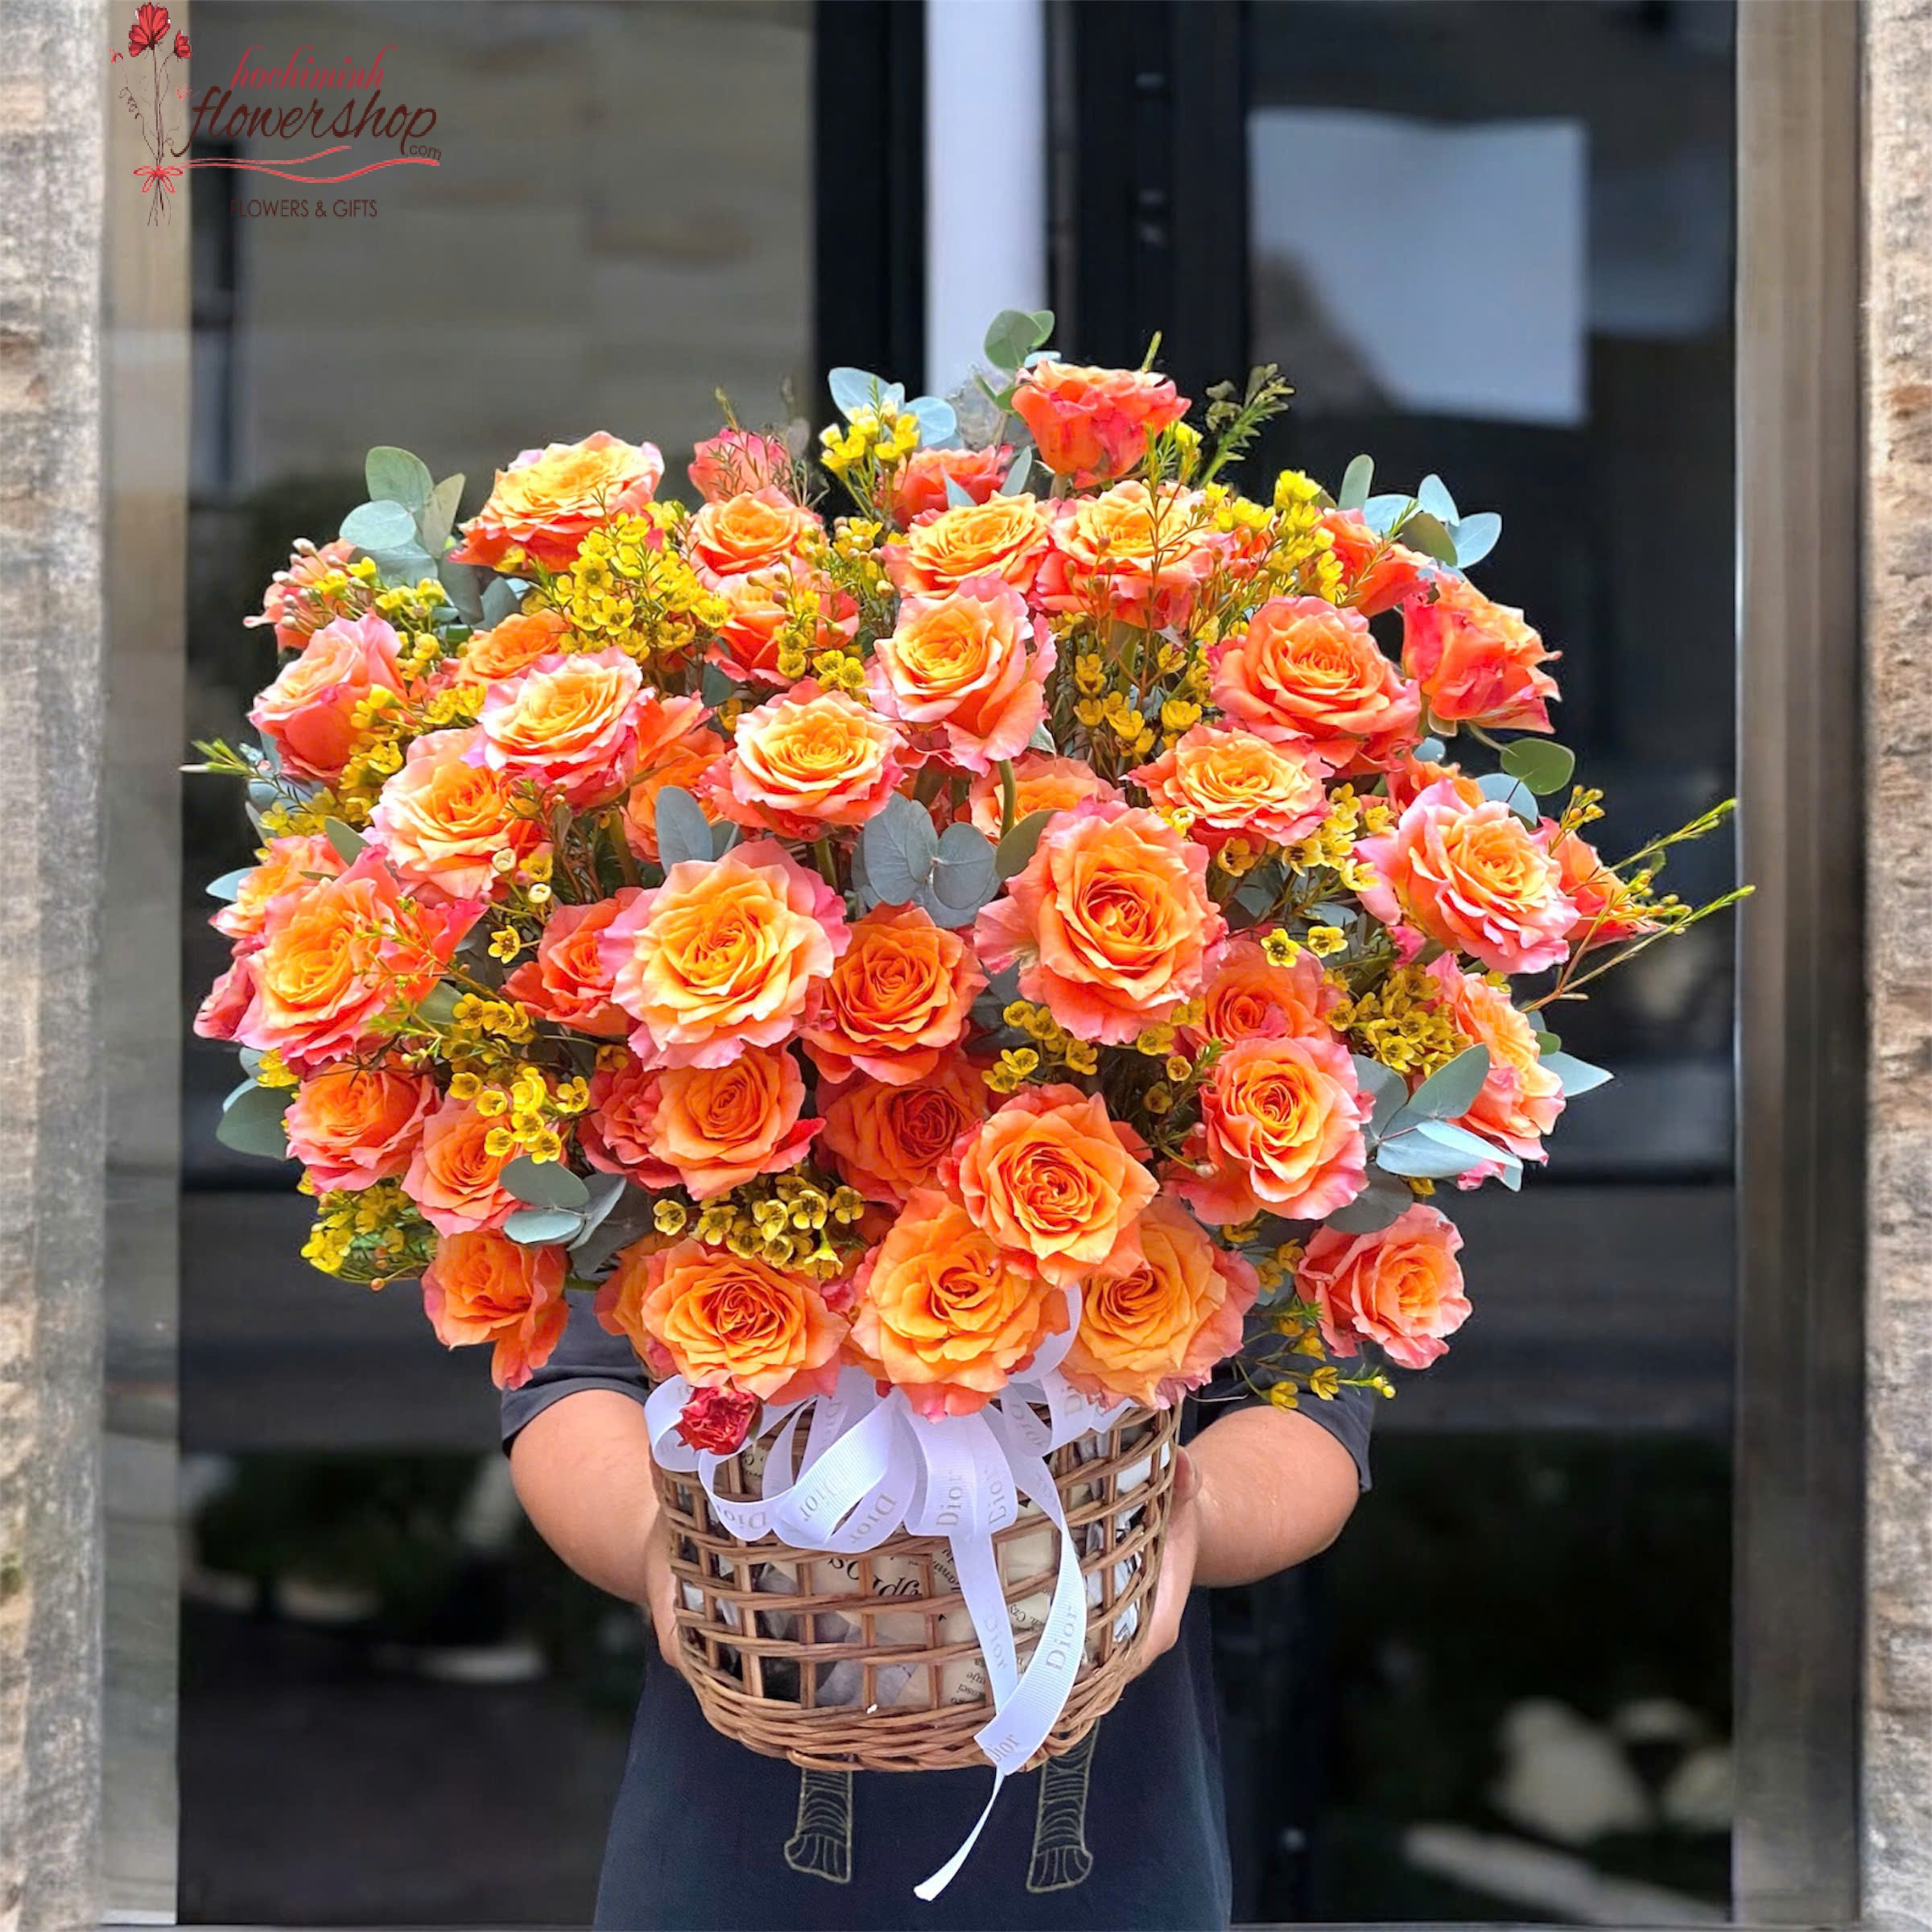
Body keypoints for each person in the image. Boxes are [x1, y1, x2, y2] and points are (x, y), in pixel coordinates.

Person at [506, 1298, 1371, 1930]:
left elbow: (1309, 1401)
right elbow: (570, 1378)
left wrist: (1185, 1512)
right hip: (727, 1864)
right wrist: (660, 1540)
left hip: (1116, 1865)